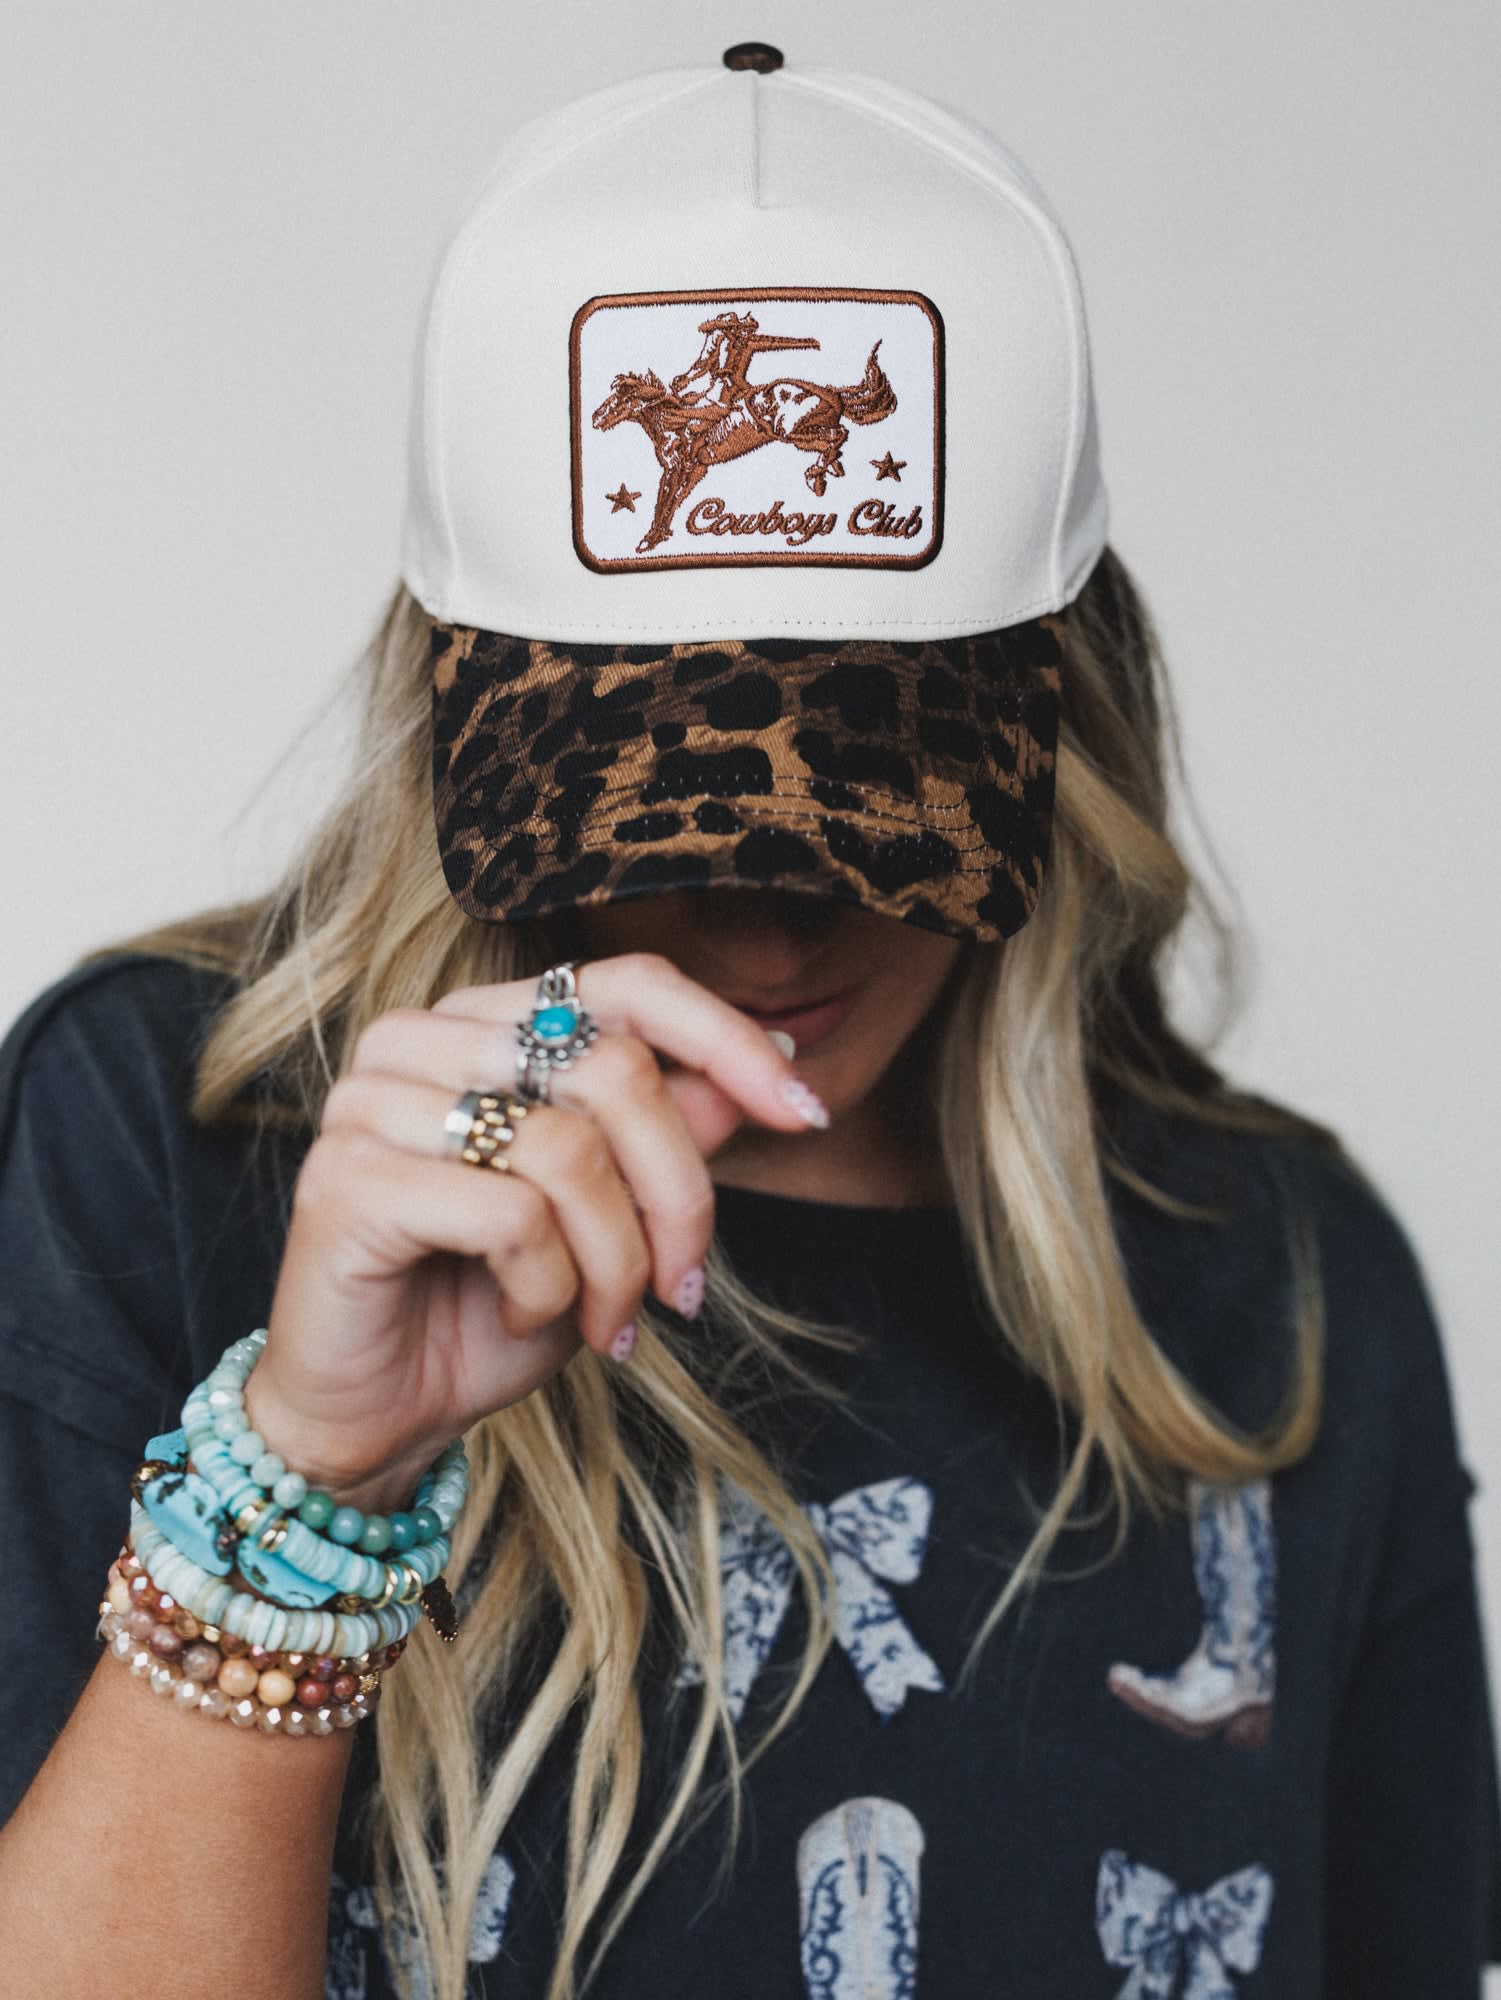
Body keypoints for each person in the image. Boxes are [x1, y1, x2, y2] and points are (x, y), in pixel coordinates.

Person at [0, 44, 1498, 2000]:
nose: (772, 915)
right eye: (660, 809)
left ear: (1056, 704)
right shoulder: (171, 1147)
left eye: (875, 801)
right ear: (455, 708)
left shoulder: (1283, 1291)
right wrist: (307, 1474)